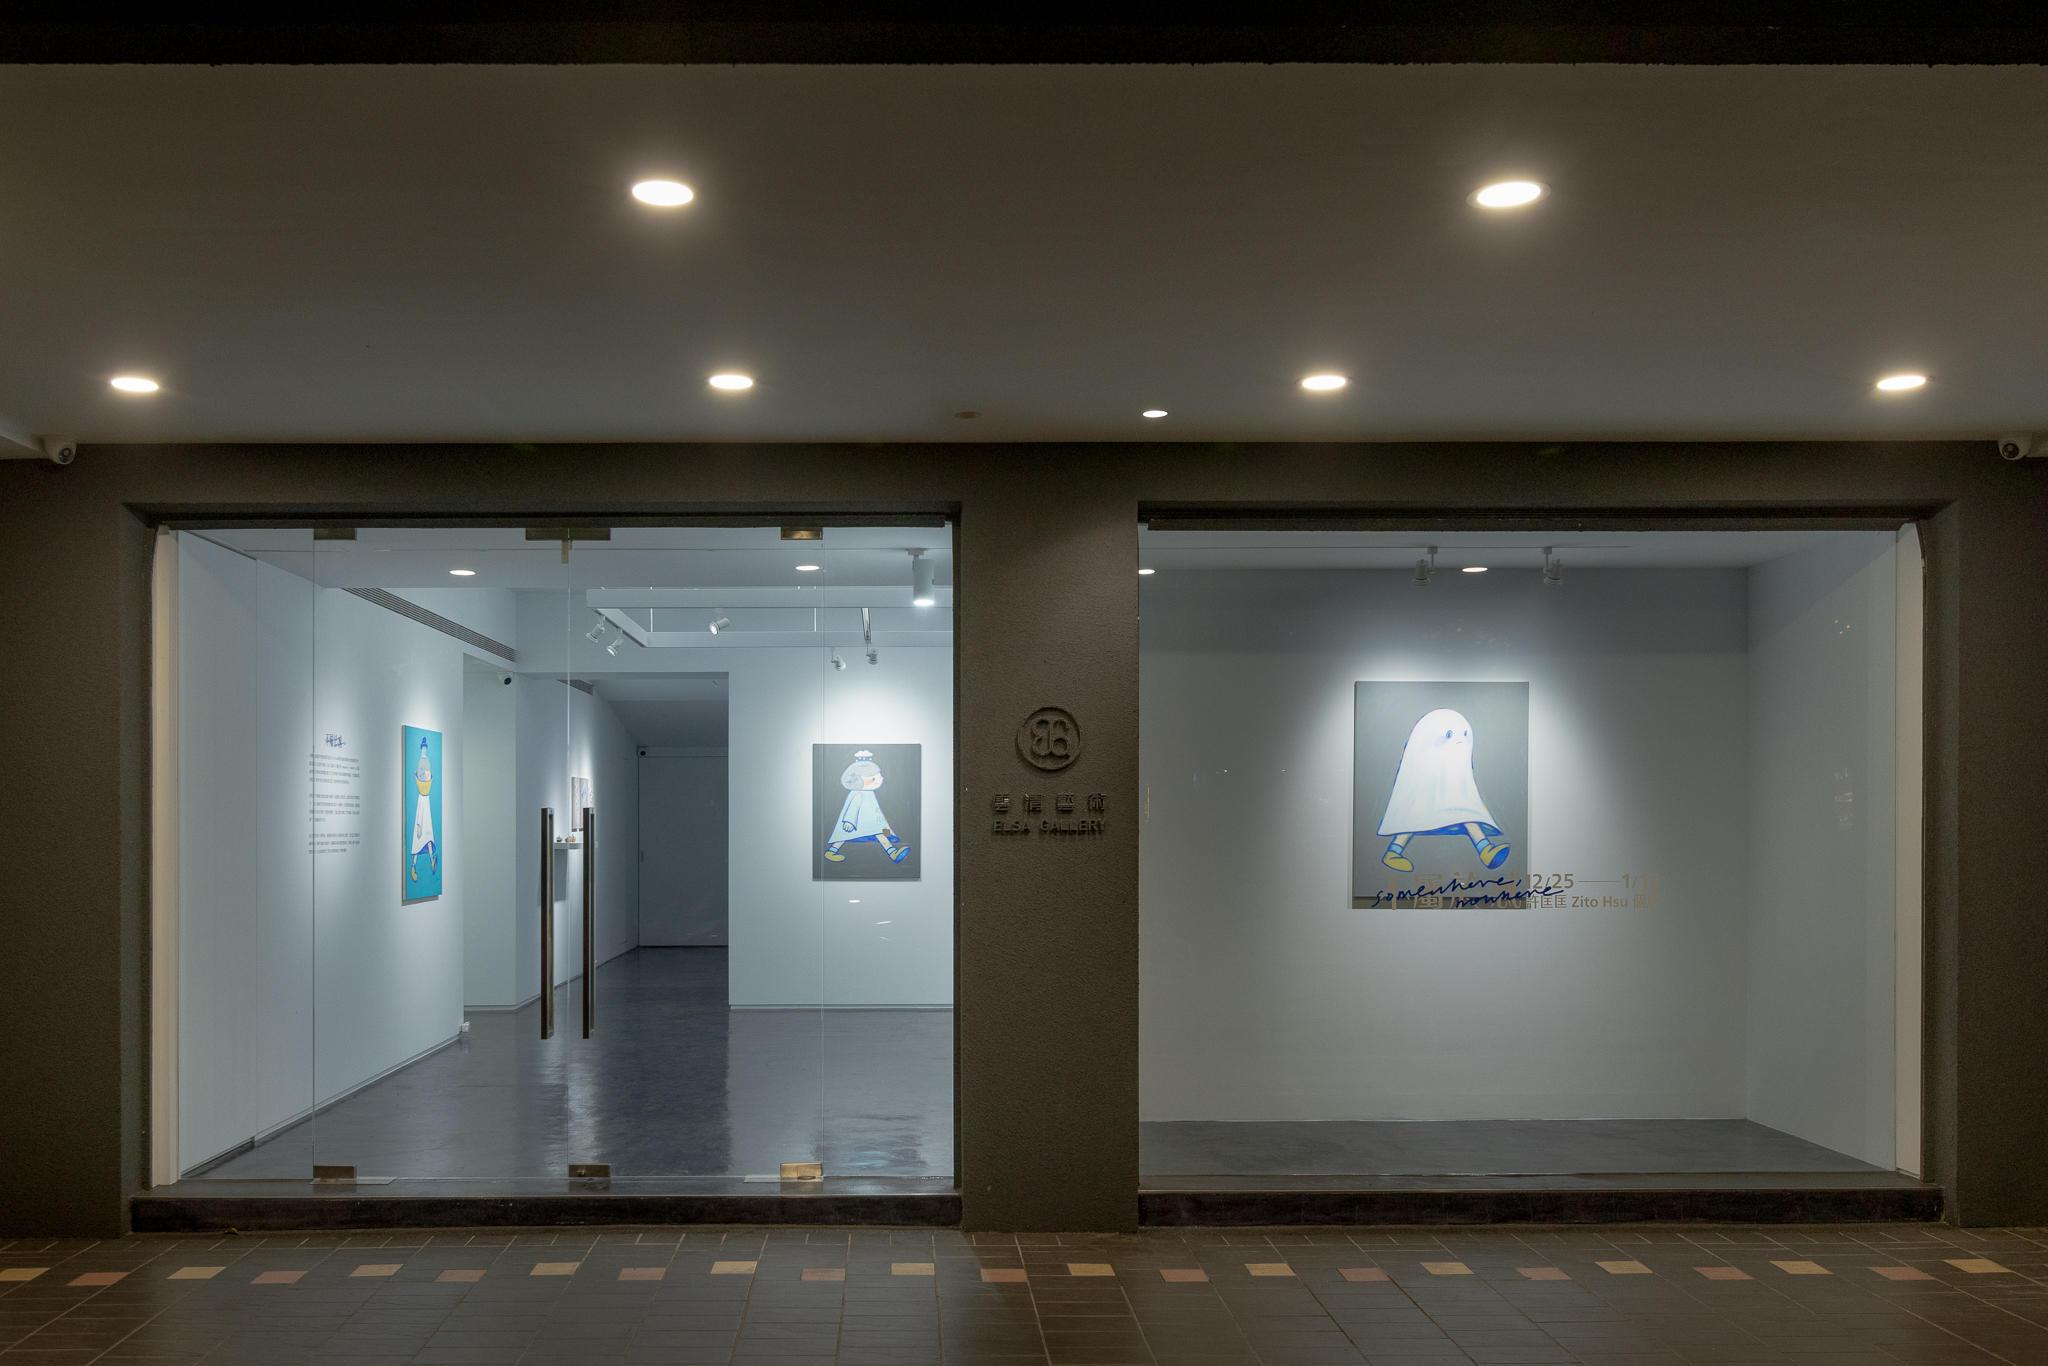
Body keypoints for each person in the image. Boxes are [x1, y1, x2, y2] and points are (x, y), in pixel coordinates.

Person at [1377, 708, 1510, 871]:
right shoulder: (1421, 769)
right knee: (1413, 815)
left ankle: (1485, 849)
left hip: (1447, 794)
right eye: (1449, 735)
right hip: (1424, 795)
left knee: (1465, 812)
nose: (1459, 740)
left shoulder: (1455, 771)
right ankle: (1393, 852)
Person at [825, 750, 910, 864]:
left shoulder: (869, 792)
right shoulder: (858, 793)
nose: (879, 780)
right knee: (845, 835)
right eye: (873, 778)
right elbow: (853, 807)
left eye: (879, 776)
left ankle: (892, 852)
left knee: (878, 832)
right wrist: (849, 821)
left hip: (869, 821)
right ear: (858, 780)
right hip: (856, 822)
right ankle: (831, 852)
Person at [410, 735, 437, 882]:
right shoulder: (422, 796)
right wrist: (419, 826)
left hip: (426, 818)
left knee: (427, 837)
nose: (426, 774)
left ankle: (430, 859)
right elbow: (420, 812)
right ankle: (414, 866)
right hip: (422, 821)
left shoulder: (424, 763)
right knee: (422, 839)